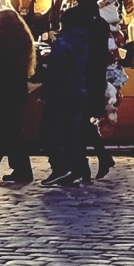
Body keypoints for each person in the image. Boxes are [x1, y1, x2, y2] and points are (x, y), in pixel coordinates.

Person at [60, 0, 114, 181]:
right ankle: (98, 160)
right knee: (82, 122)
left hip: (76, 76)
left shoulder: (72, 17)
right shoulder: (101, 23)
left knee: (75, 123)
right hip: (94, 78)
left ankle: (83, 167)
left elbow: (67, 46)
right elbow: (102, 55)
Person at [0, 7, 36, 184]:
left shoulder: (7, 46)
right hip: (15, 92)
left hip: (7, 93)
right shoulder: (20, 43)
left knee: (3, 132)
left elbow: (1, 69)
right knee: (9, 132)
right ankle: (19, 170)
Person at [39, 10, 89, 187]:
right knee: (70, 133)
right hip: (78, 90)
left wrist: (45, 91)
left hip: (61, 92)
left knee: (47, 132)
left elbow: (56, 69)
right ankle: (73, 170)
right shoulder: (85, 40)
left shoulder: (64, 41)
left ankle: (60, 167)